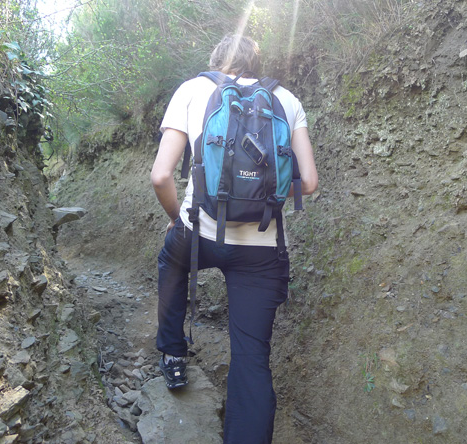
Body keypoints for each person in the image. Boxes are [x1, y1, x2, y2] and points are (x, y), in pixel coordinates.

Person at [150, 34, 318, 444]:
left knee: (171, 262)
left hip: (201, 233)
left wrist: (177, 218)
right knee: (252, 358)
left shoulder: (192, 90)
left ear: (215, 59)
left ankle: (173, 352)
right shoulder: (287, 101)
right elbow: (310, 182)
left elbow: (161, 176)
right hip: (263, 250)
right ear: (255, 63)